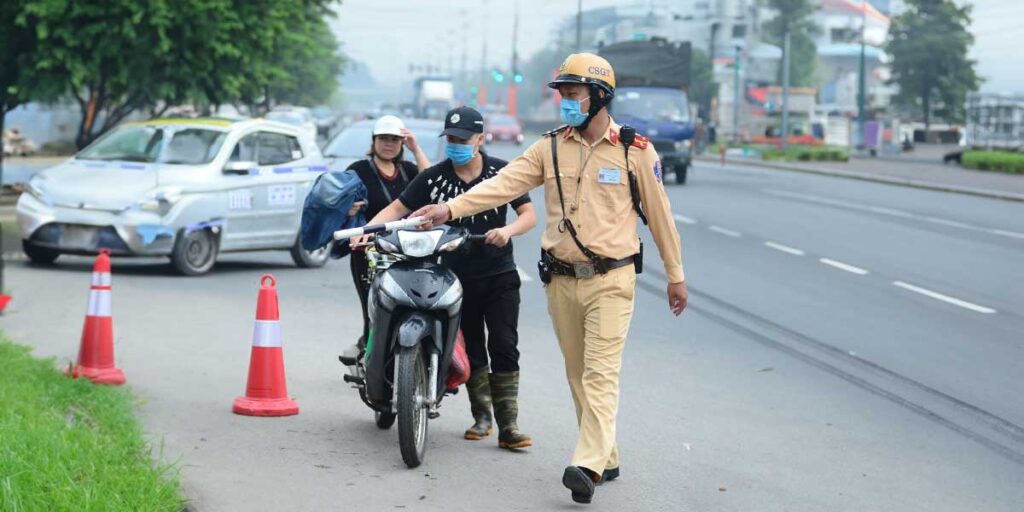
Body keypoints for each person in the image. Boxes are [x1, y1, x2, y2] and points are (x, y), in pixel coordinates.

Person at [410, 53, 687, 504]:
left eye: (573, 95)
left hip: (612, 280)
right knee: (578, 373)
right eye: (562, 95)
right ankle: (607, 454)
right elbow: (502, 184)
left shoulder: (634, 150)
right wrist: (450, 208)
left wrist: (675, 274)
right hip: (560, 280)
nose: (565, 103)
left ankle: (586, 464)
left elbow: (660, 217)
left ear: (599, 96)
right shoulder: (551, 146)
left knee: (600, 373)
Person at [358, 106, 537, 450]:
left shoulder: (503, 172)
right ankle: (482, 416)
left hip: (499, 274)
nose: (455, 145)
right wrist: (367, 231)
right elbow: (397, 210)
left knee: (504, 345)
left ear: (480, 140)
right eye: (450, 139)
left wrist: (508, 230)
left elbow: (528, 214)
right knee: (472, 348)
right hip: (453, 279)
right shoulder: (433, 177)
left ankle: (509, 425)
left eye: (462, 139)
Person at [345, 115, 431, 349]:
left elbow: (432, 183)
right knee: (373, 308)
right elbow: (340, 201)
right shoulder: (359, 169)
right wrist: (349, 208)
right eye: (383, 138)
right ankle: (369, 353)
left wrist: (416, 148)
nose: (389, 144)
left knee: (409, 304)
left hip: (406, 249)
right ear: (374, 141)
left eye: (395, 139)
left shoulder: (408, 170)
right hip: (369, 250)